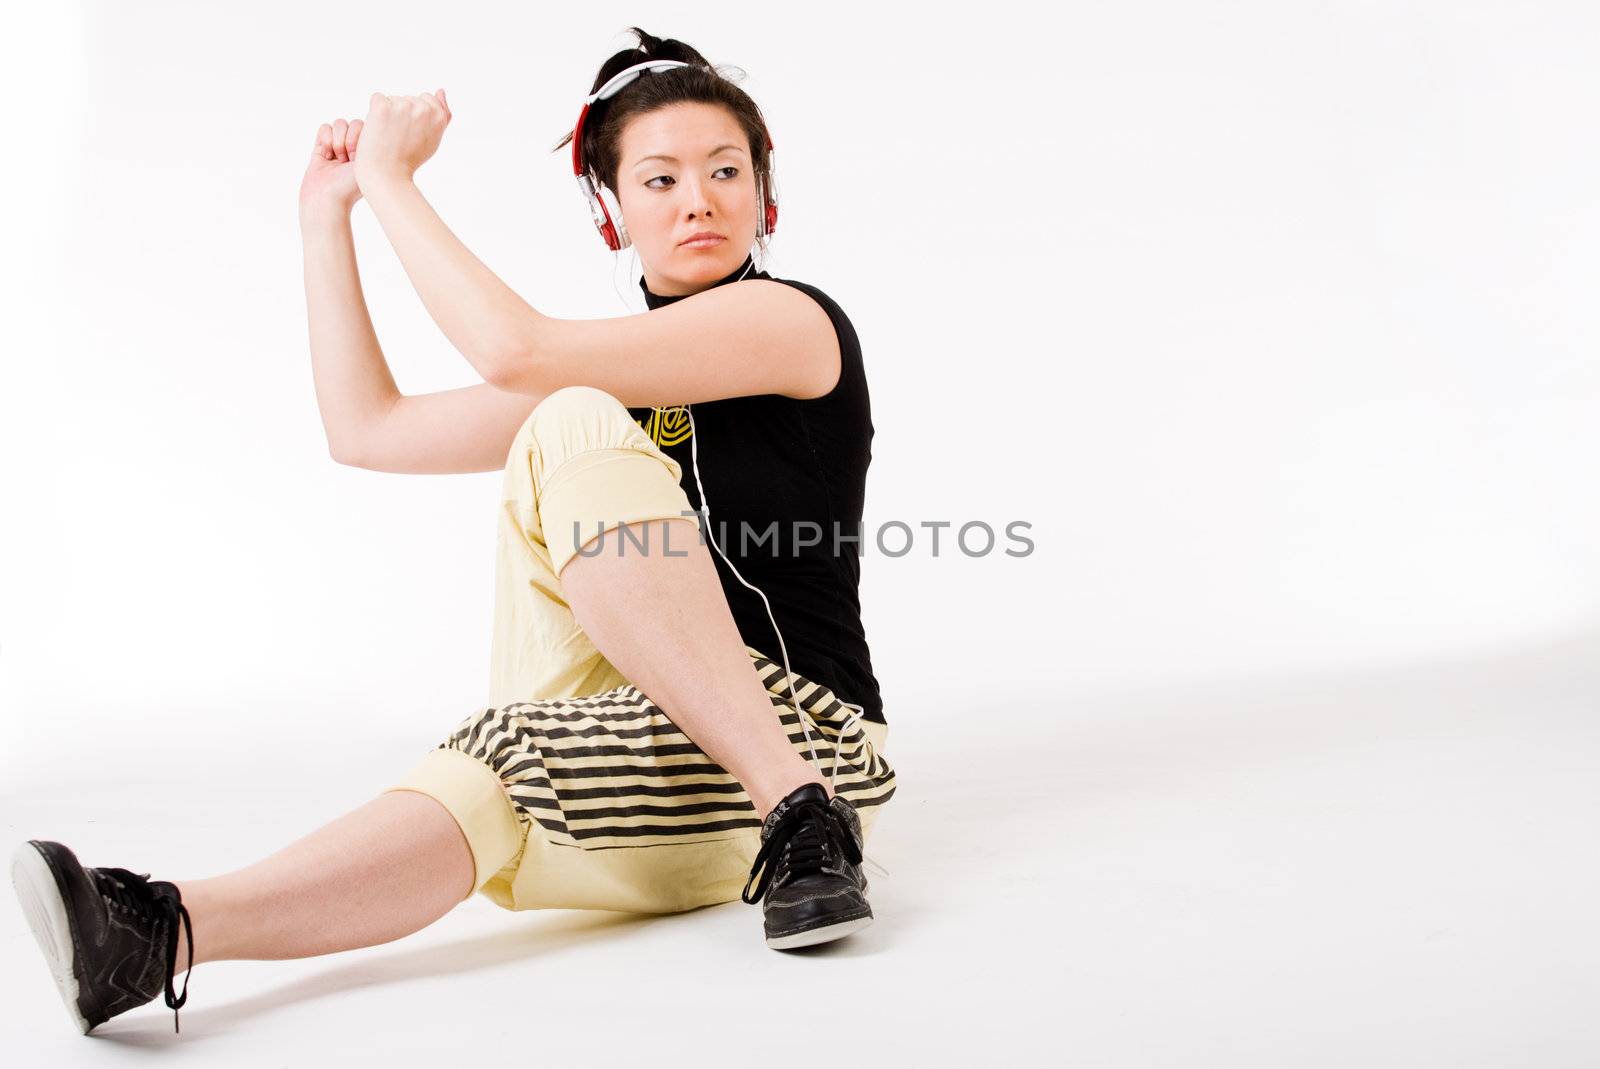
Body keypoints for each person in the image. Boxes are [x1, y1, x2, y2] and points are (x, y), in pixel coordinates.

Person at [9, 26, 897, 1038]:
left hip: (806, 730)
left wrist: (393, 179)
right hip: (640, 721)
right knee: (567, 418)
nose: (697, 197)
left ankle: (799, 808)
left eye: (725, 171)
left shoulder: (791, 321)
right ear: (611, 215)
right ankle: (142, 943)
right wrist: (326, 217)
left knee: (560, 415)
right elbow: (368, 429)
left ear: (765, 200)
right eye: (659, 179)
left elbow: (519, 352)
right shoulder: (602, 386)